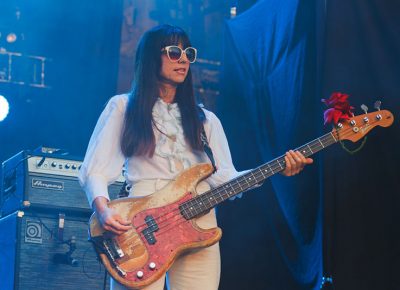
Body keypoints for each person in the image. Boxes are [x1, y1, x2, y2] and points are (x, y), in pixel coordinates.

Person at [78, 24, 313, 290]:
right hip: (142, 223)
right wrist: (103, 209)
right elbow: (95, 168)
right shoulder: (123, 107)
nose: (184, 59)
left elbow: (225, 178)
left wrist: (278, 168)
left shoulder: (206, 121)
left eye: (189, 53)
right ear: (151, 57)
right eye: (174, 51)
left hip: (199, 221)